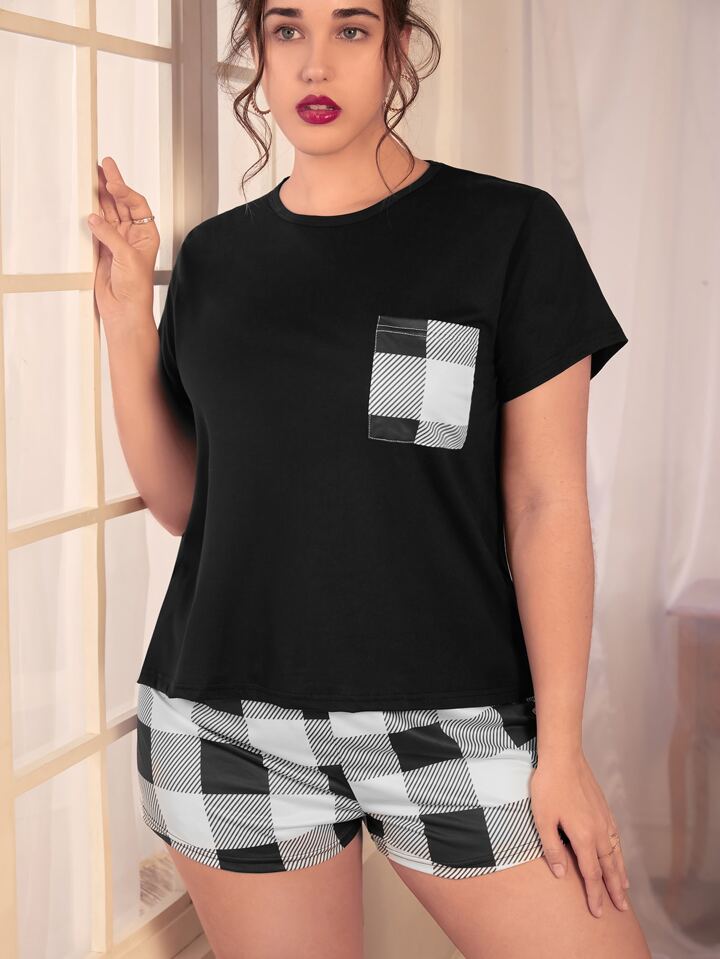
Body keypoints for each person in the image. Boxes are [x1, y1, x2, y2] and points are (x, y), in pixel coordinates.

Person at [87, 2, 653, 957]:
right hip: (224, 728)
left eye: (350, 29)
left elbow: (545, 504)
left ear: (397, 47)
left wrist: (560, 751)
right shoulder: (216, 258)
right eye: (287, 30)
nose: (315, 64)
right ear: (257, 50)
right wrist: (127, 314)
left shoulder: (506, 230)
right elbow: (187, 503)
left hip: (451, 717)